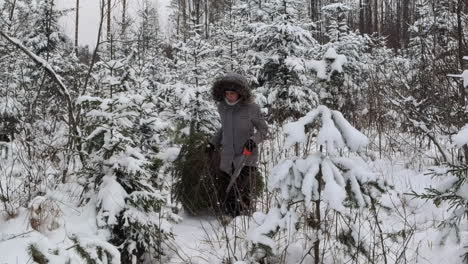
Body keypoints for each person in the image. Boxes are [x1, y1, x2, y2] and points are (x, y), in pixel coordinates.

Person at [208, 73, 268, 217]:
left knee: (241, 190)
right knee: (227, 189)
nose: (229, 96)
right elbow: (224, 128)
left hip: (246, 156)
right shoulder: (222, 107)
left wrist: (253, 141)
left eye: (232, 93)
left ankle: (242, 220)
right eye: (227, 93)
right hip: (227, 156)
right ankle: (228, 219)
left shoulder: (251, 108)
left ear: (240, 92)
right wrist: (213, 143)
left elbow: (263, 129)